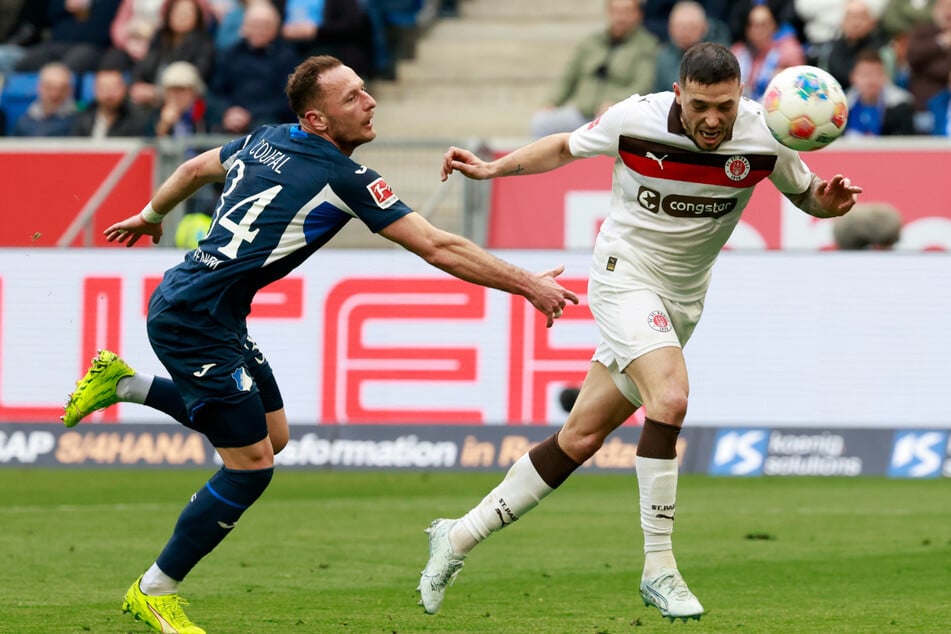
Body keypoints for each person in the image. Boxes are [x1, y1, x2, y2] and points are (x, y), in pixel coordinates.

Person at [60, 54, 578, 634]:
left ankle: (123, 383)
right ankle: (155, 589)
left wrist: (152, 215)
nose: (370, 100)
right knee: (251, 467)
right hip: (193, 320)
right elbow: (438, 247)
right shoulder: (344, 177)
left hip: (212, 309)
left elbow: (195, 169)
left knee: (273, 436)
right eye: (352, 96)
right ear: (316, 120)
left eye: (365, 90)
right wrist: (528, 284)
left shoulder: (265, 139)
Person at [419, 42, 862, 622]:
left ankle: (455, 538)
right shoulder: (636, 118)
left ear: (740, 98)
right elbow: (562, 146)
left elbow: (809, 196)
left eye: (724, 107)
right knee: (671, 397)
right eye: (701, 105)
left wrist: (827, 206)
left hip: (683, 300)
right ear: (679, 93)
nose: (712, 120)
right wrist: (491, 168)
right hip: (622, 277)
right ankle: (660, 569)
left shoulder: (764, 134)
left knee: (579, 438)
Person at [529, 0, 659, 138]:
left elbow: (643, 84)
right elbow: (568, 77)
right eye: (615, 11)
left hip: (617, 117)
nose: (620, 17)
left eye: (626, 11)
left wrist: (616, 103)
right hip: (581, 113)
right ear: (608, 13)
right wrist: (552, 102)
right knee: (541, 122)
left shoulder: (648, 46)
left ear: (638, 14)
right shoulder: (591, 42)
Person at [209, 0, 298, 134]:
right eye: (255, 25)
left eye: (265, 25)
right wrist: (228, 111)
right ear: (244, 27)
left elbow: (287, 99)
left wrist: (250, 114)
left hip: (269, 121)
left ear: (275, 29)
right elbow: (216, 90)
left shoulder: (287, 57)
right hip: (231, 117)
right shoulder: (230, 55)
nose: (259, 30)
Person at [731, 3, 805, 101]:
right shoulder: (737, 52)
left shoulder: (789, 51)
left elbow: (800, 88)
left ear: (774, 26)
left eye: (763, 25)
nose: (758, 31)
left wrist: (785, 79)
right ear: (746, 30)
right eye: (753, 25)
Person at [71, 59, 153, 137]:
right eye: (104, 88)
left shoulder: (137, 119)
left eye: (114, 88)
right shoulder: (84, 117)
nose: (109, 93)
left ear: (124, 89)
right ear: (95, 90)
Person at [844, 47, 916, 136]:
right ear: (853, 77)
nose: (871, 80)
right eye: (865, 74)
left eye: (877, 74)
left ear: (885, 76)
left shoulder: (901, 106)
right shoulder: (842, 106)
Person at [12, 61, 78, 136]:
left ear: (70, 90)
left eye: (62, 89)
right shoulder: (24, 122)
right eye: (49, 88)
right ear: (40, 87)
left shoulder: (79, 122)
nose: (55, 94)